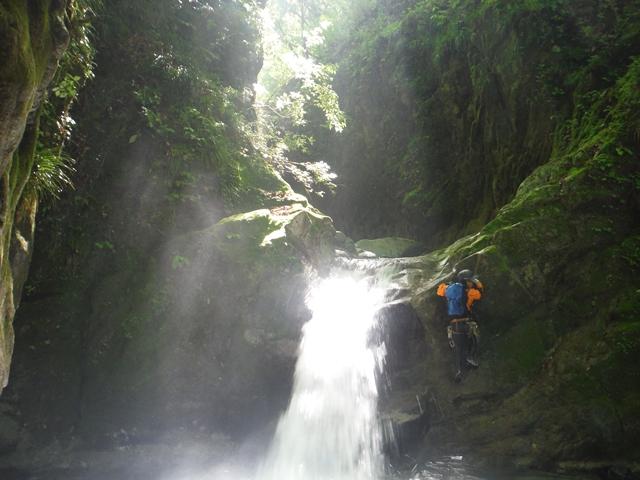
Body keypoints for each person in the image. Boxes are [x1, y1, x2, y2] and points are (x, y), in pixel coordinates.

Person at [436, 269, 483, 382]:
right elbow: (480, 294)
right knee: (473, 342)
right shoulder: (470, 292)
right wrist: (478, 284)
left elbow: (439, 290)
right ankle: (467, 362)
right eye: (470, 281)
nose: (471, 283)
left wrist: (448, 285)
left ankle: (460, 371)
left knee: (459, 349)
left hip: (454, 326)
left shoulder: (448, 289)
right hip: (466, 323)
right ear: (466, 281)